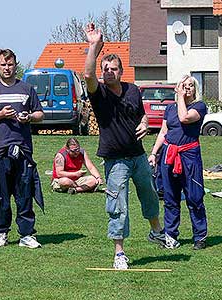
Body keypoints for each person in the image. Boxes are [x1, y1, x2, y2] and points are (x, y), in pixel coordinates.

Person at [84, 23, 165, 270]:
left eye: (113, 69)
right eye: (105, 69)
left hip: (137, 155)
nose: (109, 72)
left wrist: (145, 123)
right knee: (118, 205)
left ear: (121, 72)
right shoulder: (100, 94)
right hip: (115, 159)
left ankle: (156, 232)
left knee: (149, 195)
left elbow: (142, 115)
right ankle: (119, 253)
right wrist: (93, 46)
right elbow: (87, 75)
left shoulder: (132, 90)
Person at [0, 49, 44, 249]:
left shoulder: (27, 89)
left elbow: (40, 114)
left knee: (25, 193)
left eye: (10, 64)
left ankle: (26, 235)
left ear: (16, 65)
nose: (7, 68)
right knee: (0, 195)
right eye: (3, 65)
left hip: (23, 149)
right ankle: (1, 232)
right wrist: (0, 115)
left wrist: (29, 117)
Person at [149, 75, 208, 250]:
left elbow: (184, 118)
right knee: (170, 198)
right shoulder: (170, 108)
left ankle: (200, 236)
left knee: (194, 197)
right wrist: (154, 153)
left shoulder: (199, 107)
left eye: (190, 86)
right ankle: (170, 236)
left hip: (189, 156)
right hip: (169, 154)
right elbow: (163, 132)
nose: (187, 88)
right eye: (184, 85)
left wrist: (181, 98)